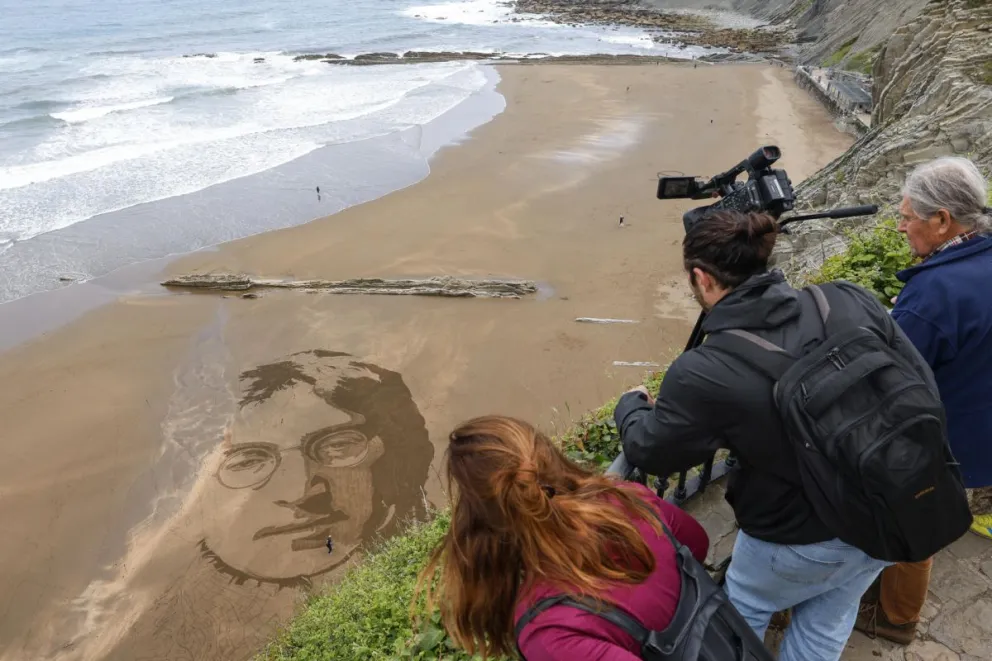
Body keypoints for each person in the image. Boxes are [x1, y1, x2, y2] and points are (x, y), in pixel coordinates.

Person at [612, 210, 937, 661]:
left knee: (742, 613)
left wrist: (629, 407)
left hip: (797, 535)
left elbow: (651, 451)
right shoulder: (846, 297)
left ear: (702, 278)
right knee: (828, 619)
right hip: (891, 504)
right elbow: (922, 382)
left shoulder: (706, 369)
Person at [415, 415, 710, 661]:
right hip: (721, 636)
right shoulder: (627, 498)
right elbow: (697, 543)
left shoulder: (550, 632)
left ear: (479, 520)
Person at [854, 156, 992, 644]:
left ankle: (895, 618)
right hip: (982, 413)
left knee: (914, 516)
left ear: (942, 220)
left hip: (952, 434)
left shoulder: (936, 293)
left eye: (908, 217)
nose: (900, 226)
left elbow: (890, 377)